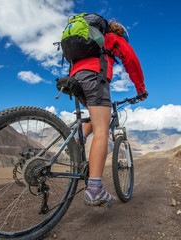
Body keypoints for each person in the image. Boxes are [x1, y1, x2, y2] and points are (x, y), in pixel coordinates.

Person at [69, 19, 148, 207]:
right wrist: (140, 89)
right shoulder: (112, 38)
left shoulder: (90, 41)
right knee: (102, 130)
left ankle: (74, 139)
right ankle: (95, 190)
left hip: (75, 78)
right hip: (94, 77)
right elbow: (131, 60)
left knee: (95, 118)